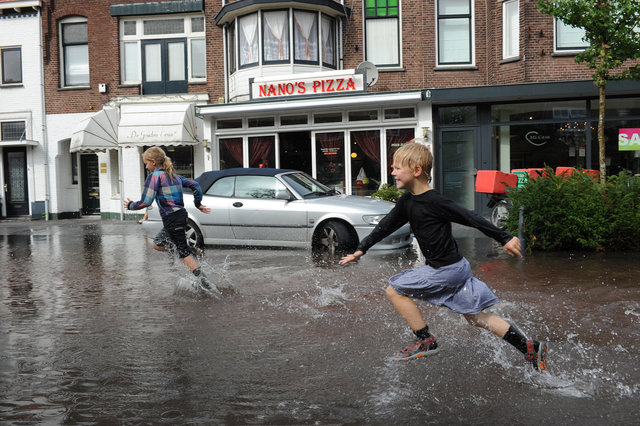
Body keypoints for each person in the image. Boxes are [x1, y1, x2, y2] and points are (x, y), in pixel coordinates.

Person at [339, 140, 548, 371]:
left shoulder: (435, 201)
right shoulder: (408, 201)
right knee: (475, 317)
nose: (393, 172)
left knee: (394, 290)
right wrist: (362, 248)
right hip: (457, 267)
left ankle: (426, 341)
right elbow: (386, 226)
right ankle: (529, 347)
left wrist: (504, 237)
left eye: (397, 168)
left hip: (447, 270)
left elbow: (470, 217)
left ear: (417, 170)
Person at [124, 146, 215, 294]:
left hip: (173, 218)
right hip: (179, 217)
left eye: (146, 163)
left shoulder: (155, 176)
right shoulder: (174, 175)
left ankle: (206, 282)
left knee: (182, 252)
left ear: (153, 162)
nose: (146, 166)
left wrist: (131, 205)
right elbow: (196, 185)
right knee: (156, 244)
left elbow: (146, 201)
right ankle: (193, 250)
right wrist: (197, 203)